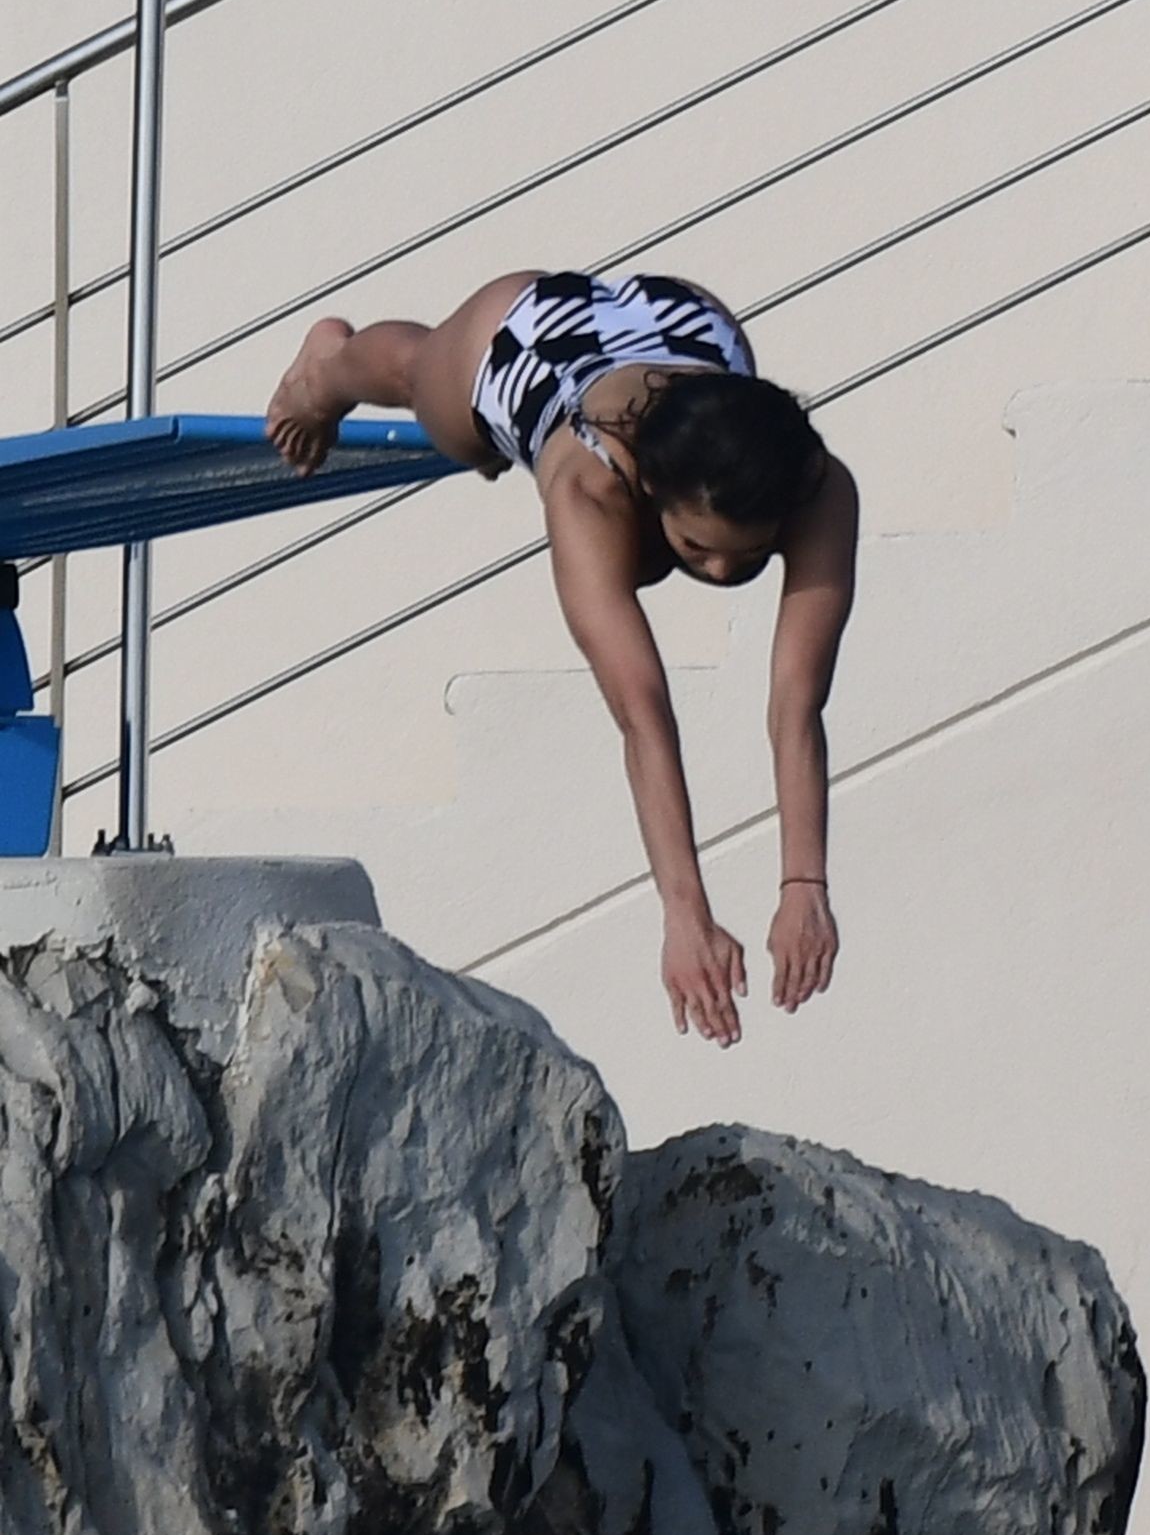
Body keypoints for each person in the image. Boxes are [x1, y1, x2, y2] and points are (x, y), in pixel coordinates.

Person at [266, 268, 859, 1049]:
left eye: (748, 556)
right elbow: (642, 716)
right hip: (525, 336)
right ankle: (324, 366)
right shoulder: (587, 486)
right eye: (697, 549)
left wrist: (804, 884)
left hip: (689, 325)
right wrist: (684, 915)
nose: (720, 572)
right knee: (431, 397)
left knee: (672, 543)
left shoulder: (817, 486)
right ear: (650, 488)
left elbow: (796, 704)